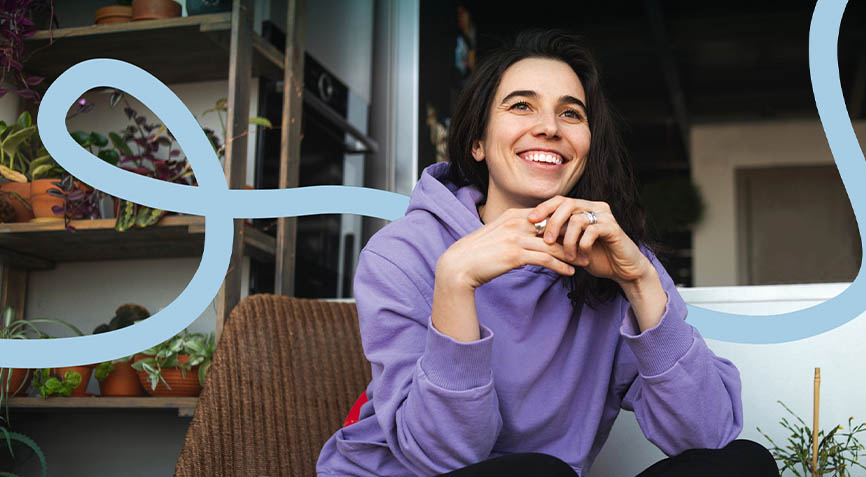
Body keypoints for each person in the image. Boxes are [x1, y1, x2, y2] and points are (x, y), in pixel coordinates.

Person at [317, 30, 778, 477]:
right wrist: (455, 282)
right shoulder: (404, 253)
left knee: (744, 463)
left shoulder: (614, 257)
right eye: (521, 106)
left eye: (571, 114)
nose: (549, 128)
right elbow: (444, 458)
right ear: (477, 141)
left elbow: (707, 436)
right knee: (539, 471)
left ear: (586, 146)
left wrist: (639, 283)